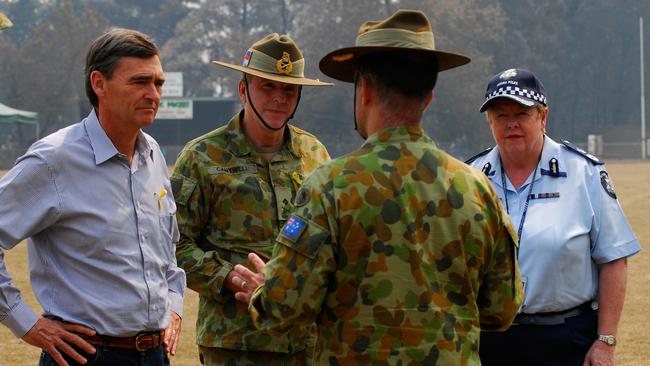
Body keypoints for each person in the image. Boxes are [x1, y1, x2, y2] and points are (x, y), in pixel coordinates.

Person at [231, 9, 523, 365]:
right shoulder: (478, 189)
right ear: (428, 97)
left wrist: (263, 290)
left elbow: (286, 308)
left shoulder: (329, 186)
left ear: (364, 89)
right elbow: (502, 309)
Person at [0, 28, 186, 366]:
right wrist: (28, 325)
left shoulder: (153, 154)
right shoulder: (52, 160)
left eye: (158, 83)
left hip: (155, 356)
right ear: (99, 83)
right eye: (140, 82)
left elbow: (165, 252)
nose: (153, 94)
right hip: (86, 356)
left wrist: (174, 305)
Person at [171, 33, 331, 365]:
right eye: (267, 87)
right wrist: (230, 277)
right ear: (243, 90)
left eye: (289, 90)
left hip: (304, 342)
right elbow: (174, 244)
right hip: (235, 343)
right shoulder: (202, 157)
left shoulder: (314, 153)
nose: (279, 99)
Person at [466, 68, 641, 366]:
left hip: (564, 341)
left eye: (521, 114)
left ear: (543, 117)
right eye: (500, 115)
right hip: (488, 342)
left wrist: (606, 341)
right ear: (489, 122)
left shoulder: (583, 173)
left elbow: (613, 260)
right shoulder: (470, 177)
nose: (511, 124)